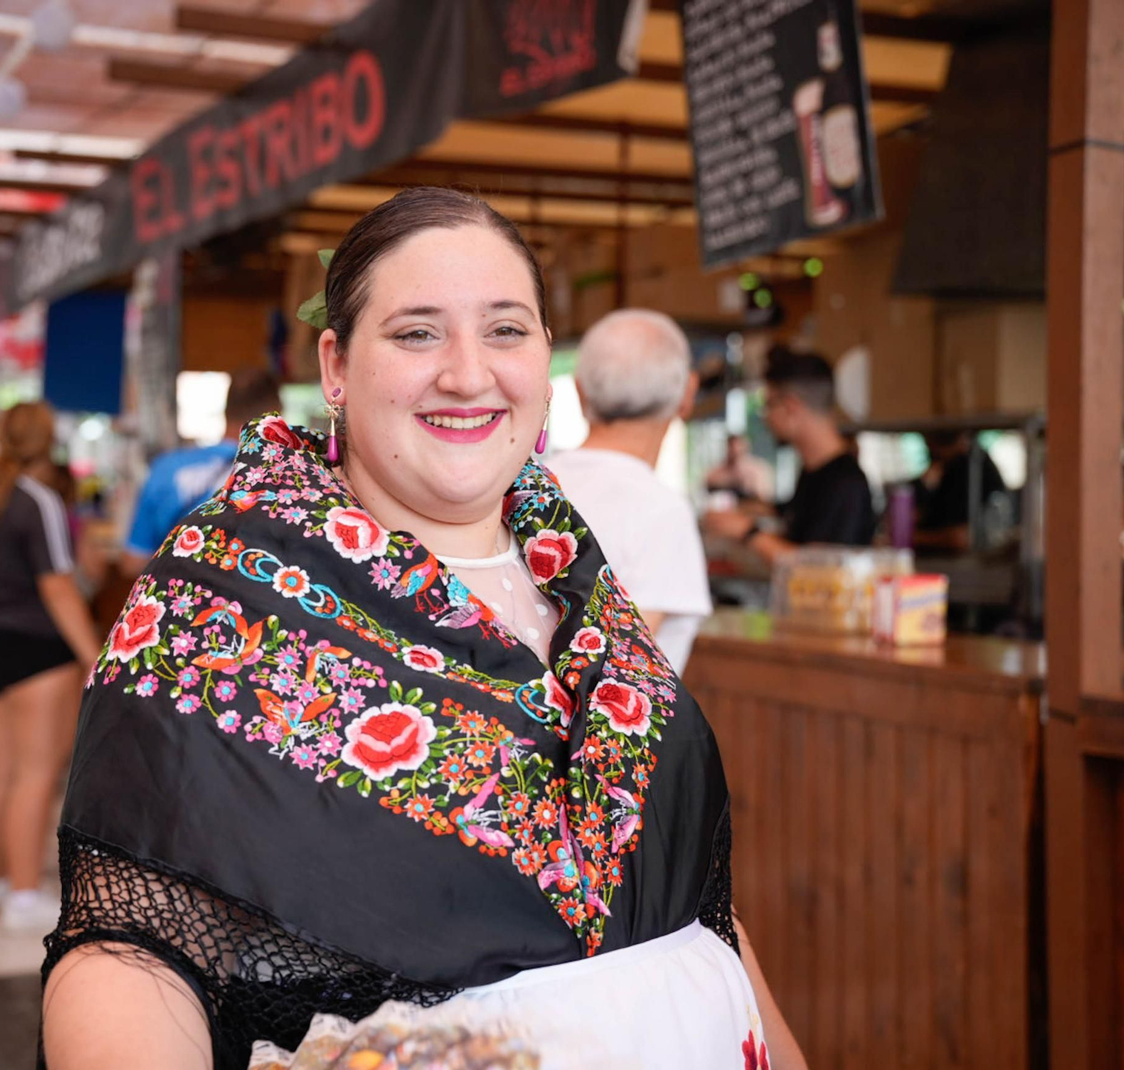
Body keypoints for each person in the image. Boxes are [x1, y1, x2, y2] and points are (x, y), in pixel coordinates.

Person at [40, 189, 803, 1070]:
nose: (469, 373)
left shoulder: (582, 580)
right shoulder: (221, 596)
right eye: (417, 333)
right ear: (336, 365)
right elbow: (131, 951)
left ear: (547, 357)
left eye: (507, 330)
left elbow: (691, 909)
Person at [0, 402, 103, 933]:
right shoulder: (38, 501)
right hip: (37, 651)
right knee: (36, 776)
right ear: (47, 441)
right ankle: (23, 895)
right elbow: (58, 586)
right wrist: (94, 655)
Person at [544, 309, 713, 678]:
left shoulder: (536, 483)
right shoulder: (662, 511)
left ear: (579, 392)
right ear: (688, 393)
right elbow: (621, 669)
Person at [706, 346, 876, 564]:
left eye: (768, 405)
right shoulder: (812, 471)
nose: (766, 418)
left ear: (791, 407)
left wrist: (747, 532)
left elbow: (815, 568)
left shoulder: (846, 484)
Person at [121, 368, 286, 576]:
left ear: (227, 410)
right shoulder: (282, 475)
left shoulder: (166, 468)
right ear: (277, 413)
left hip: (176, 600)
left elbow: (133, 562)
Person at [912, 430, 1008, 553]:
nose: (927, 446)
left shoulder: (968, 467)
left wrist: (913, 537)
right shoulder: (949, 466)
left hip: (967, 560)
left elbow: (960, 538)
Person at [705, 433, 775, 505]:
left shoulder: (759, 470)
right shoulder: (718, 470)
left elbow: (764, 497)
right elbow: (708, 484)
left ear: (746, 448)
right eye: (732, 448)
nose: (735, 451)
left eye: (739, 448)